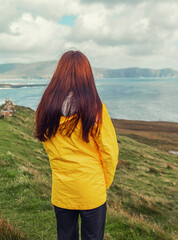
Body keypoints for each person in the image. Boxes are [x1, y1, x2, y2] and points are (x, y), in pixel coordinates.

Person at [34, 50, 119, 240]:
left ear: (59, 74)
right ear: (86, 75)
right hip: (92, 190)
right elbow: (110, 152)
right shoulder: (96, 109)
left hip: (62, 190)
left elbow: (47, 144)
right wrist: (103, 182)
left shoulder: (45, 108)